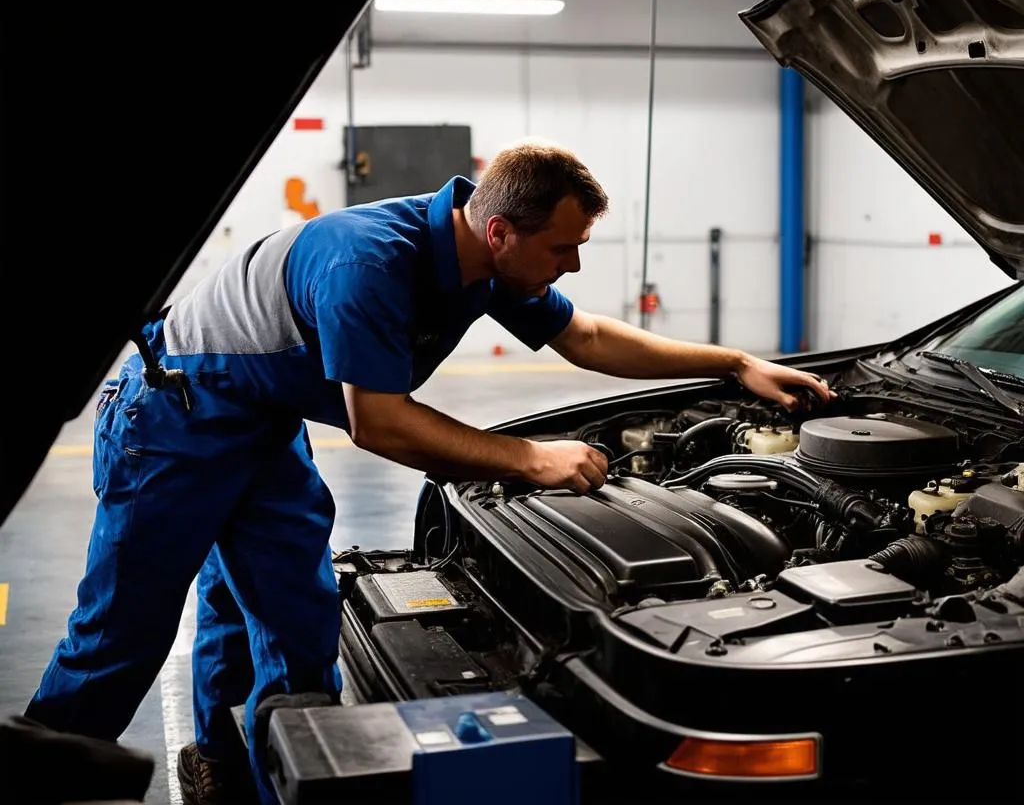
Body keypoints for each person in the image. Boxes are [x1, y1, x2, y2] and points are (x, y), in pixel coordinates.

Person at [26, 140, 834, 804]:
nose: (574, 267)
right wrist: (529, 458)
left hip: (260, 415)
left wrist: (736, 363)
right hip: (175, 411)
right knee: (124, 627)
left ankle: (250, 769)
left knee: (293, 609)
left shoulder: (482, 263)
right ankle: (40, 777)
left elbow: (584, 338)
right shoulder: (370, 262)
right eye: (565, 248)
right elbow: (378, 421)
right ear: (500, 234)